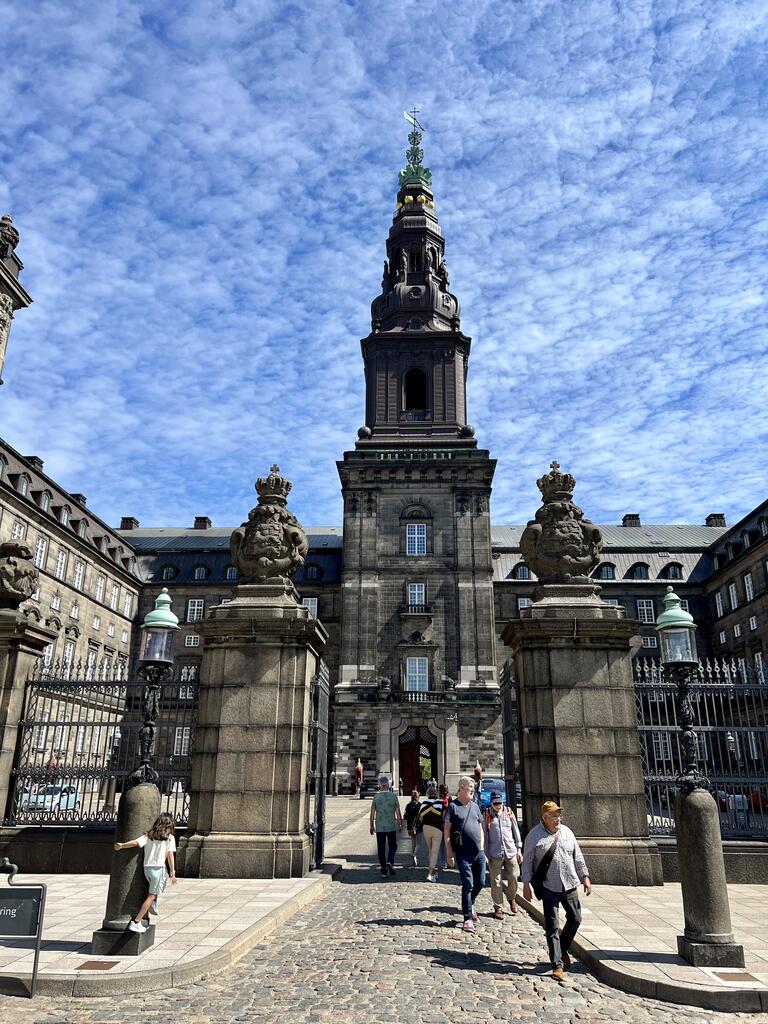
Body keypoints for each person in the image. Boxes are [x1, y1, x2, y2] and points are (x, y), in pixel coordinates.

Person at [521, 800, 591, 980]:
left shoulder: (567, 832)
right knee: (552, 926)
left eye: (559, 815)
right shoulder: (534, 836)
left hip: (569, 883)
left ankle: (563, 949)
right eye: (553, 815)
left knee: (575, 918)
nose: (557, 818)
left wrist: (585, 876)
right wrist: (526, 884)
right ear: (544, 818)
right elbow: (527, 860)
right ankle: (557, 964)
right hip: (548, 885)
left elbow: (577, 855)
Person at [114, 812, 177, 933]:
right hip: (159, 868)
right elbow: (170, 856)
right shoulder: (169, 838)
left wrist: (122, 845)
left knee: (154, 890)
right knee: (153, 894)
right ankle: (136, 921)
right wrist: (172, 873)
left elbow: (136, 843)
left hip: (147, 868)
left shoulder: (149, 835)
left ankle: (152, 904)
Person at [444, 776, 486, 932]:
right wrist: (449, 853)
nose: (472, 791)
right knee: (468, 884)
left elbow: (480, 826)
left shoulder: (475, 806)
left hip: (478, 853)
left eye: (473, 789)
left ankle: (470, 903)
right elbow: (447, 830)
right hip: (462, 853)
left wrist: (482, 847)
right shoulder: (453, 807)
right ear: (461, 788)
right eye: (470, 788)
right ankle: (467, 918)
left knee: (480, 882)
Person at [484, 790, 522, 918]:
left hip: (510, 851)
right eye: (495, 803)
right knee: (496, 882)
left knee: (514, 876)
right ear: (491, 803)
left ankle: (511, 898)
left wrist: (519, 849)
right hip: (495, 853)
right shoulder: (487, 814)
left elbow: (515, 830)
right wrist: (485, 853)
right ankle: (498, 907)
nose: (498, 806)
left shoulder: (509, 812)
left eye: (499, 803)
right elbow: (485, 834)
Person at [369, 774, 402, 876]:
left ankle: (383, 870)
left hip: (380, 827)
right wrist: (400, 824)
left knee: (381, 848)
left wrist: (371, 825)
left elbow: (372, 813)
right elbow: (398, 812)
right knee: (393, 846)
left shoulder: (376, 797)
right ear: (388, 785)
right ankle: (390, 861)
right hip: (391, 826)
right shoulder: (393, 796)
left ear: (380, 785)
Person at [419, 785, 444, 881]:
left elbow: (421, 818)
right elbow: (444, 817)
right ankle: (430, 874)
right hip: (437, 829)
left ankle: (433, 871)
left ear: (428, 794)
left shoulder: (424, 803)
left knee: (430, 849)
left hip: (426, 828)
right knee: (434, 852)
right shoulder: (441, 803)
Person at [403, 789, 422, 866]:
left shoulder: (408, 805)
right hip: (418, 826)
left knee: (413, 842)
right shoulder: (420, 805)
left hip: (410, 826)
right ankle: (414, 855)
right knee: (419, 843)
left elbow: (405, 816)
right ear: (417, 797)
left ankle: (414, 858)